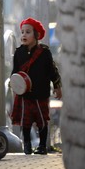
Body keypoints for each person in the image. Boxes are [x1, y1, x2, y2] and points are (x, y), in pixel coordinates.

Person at [10, 17, 62, 155]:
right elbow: (15, 71)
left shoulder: (44, 53)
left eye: (28, 32)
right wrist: (14, 83)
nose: (24, 35)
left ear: (36, 35)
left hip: (41, 94)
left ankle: (42, 146)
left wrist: (57, 86)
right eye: (22, 32)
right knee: (25, 122)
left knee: (42, 121)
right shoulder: (18, 53)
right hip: (25, 94)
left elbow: (52, 71)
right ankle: (26, 145)